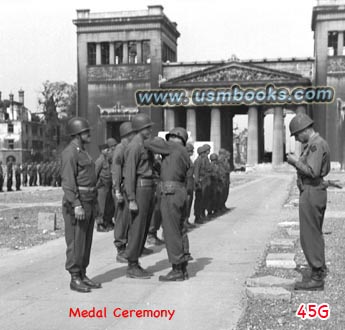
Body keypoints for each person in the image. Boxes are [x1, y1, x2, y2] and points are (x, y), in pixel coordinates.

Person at [287, 113, 330, 291]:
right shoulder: (315, 144)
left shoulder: (315, 145)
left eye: (297, 134)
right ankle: (319, 268)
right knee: (314, 232)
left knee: (309, 235)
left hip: (311, 191)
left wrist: (295, 162)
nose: (297, 138)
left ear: (305, 130)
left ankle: (316, 277)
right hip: (313, 191)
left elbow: (312, 171)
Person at [145, 127, 191, 281]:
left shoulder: (173, 146)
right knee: (180, 230)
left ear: (174, 137)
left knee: (171, 232)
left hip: (170, 192)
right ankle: (183, 267)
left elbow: (149, 144)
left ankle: (176, 269)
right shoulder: (183, 152)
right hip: (180, 192)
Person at [61, 117, 101, 293]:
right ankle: (75, 277)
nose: (89, 133)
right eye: (86, 131)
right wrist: (76, 204)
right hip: (79, 201)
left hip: (89, 199)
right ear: (77, 133)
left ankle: (83, 273)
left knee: (86, 241)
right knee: (76, 241)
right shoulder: (70, 152)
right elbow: (68, 182)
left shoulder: (83, 151)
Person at [123, 113, 155, 279]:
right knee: (137, 227)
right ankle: (132, 264)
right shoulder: (134, 146)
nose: (150, 129)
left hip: (148, 187)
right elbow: (129, 174)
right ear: (140, 128)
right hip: (140, 188)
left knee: (143, 226)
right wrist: (132, 198)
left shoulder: (143, 144)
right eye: (147, 127)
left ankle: (136, 261)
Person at [111, 122, 136, 262]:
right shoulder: (120, 148)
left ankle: (130, 247)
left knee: (130, 219)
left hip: (129, 188)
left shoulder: (129, 147)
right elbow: (116, 170)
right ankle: (120, 250)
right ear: (127, 134)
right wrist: (117, 191)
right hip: (122, 188)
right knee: (122, 219)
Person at [95, 143, 115, 232]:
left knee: (109, 206)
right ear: (102, 151)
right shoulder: (100, 161)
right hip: (102, 186)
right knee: (101, 206)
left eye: (109, 150)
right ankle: (100, 224)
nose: (109, 151)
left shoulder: (109, 160)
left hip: (109, 186)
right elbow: (95, 173)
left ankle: (108, 221)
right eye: (107, 150)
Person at [184, 143, 196, 228]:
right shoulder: (184, 160)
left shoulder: (189, 159)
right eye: (190, 151)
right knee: (186, 203)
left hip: (190, 182)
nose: (192, 152)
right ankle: (184, 221)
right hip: (186, 183)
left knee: (190, 202)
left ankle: (187, 220)